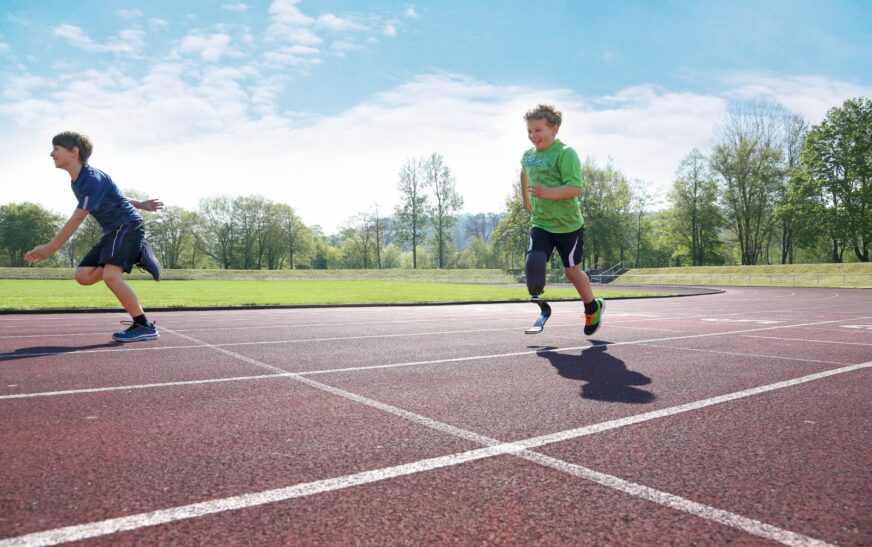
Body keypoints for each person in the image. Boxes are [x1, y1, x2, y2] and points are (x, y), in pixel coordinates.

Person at [24, 131, 164, 342]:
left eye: (56, 149)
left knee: (110, 276)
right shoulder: (78, 181)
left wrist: (51, 248)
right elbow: (116, 194)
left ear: (74, 151)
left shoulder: (91, 179)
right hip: (112, 231)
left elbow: (79, 217)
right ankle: (135, 254)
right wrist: (141, 203)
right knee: (83, 276)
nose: (51, 154)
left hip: (127, 226)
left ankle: (143, 325)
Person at [520, 104, 604, 336]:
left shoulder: (565, 153)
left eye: (538, 130)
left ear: (554, 129)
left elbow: (576, 188)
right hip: (541, 223)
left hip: (568, 226)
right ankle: (539, 302)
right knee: (534, 262)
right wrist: (525, 200)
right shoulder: (528, 156)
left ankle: (592, 307)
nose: (533, 136)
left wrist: (547, 192)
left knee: (571, 271)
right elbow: (523, 174)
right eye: (529, 131)